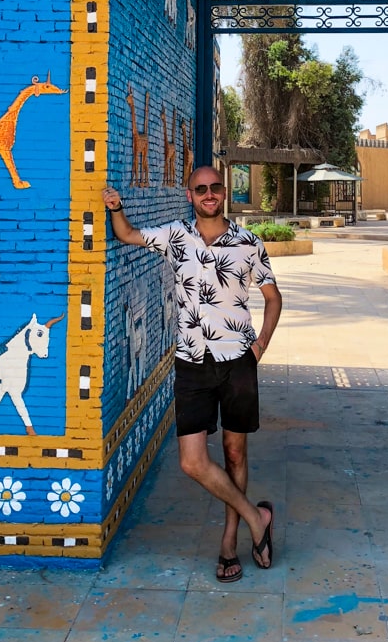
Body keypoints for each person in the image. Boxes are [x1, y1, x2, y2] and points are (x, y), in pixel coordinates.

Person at [102, 166, 282, 582]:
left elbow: (273, 298)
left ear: (224, 192)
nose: (209, 194)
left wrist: (260, 347)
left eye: (216, 187)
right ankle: (258, 519)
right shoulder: (175, 236)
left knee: (235, 453)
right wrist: (117, 207)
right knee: (192, 462)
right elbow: (128, 235)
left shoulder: (248, 244)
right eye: (201, 189)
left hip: (238, 361)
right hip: (192, 362)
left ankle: (229, 540)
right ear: (190, 195)